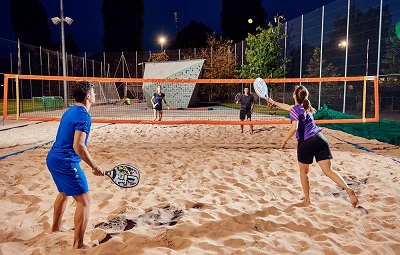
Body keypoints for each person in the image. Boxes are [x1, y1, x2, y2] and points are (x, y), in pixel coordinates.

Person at [267, 85, 359, 208]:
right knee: (328, 171)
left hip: (306, 142)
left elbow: (294, 128)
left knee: (303, 172)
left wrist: (284, 140)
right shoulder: (305, 106)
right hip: (320, 138)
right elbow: (288, 107)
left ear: (294, 95)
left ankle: (307, 199)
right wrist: (273, 102)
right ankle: (349, 190)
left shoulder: (296, 110)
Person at [46, 81, 104, 249]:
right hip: (65, 161)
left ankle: (55, 228)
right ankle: (78, 244)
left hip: (53, 158)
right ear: (88, 97)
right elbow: (78, 145)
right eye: (93, 93)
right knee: (85, 200)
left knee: (63, 193)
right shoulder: (84, 116)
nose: (95, 95)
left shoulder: (70, 110)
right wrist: (94, 166)